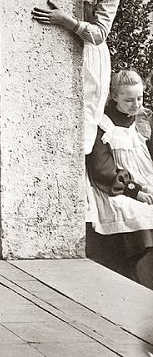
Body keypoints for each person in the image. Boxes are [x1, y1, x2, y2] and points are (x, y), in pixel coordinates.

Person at [32, 0, 131, 154]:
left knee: (84, 111)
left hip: (90, 56)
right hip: (65, 46)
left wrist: (66, 21)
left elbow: (99, 35)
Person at [85, 70, 153, 289]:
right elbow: (101, 169)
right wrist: (135, 190)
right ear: (114, 97)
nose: (136, 105)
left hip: (148, 179)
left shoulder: (142, 120)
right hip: (117, 187)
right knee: (140, 214)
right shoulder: (104, 125)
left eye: (139, 98)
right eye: (129, 100)